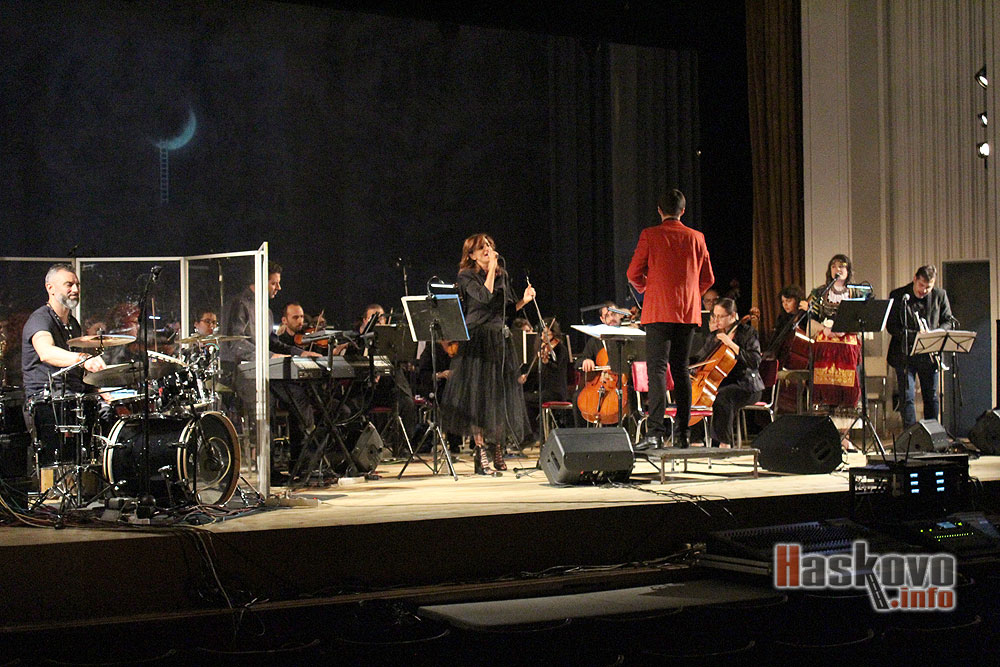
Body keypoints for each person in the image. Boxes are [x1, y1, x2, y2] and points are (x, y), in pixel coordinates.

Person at [439, 233, 535, 474]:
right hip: (477, 338)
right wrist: (491, 269)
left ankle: (497, 448)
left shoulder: (503, 275)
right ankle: (480, 451)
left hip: (498, 338)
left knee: (499, 396)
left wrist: (524, 301)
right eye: (482, 247)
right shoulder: (466, 276)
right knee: (478, 397)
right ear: (471, 255)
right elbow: (484, 296)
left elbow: (507, 310)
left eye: (489, 245)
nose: (487, 250)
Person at [627, 189, 714, 449]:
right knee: (681, 370)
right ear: (683, 211)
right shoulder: (697, 237)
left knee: (657, 370)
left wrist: (647, 288)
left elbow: (633, 273)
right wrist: (691, 295)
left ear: (659, 210)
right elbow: (708, 278)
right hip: (687, 312)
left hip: (658, 311)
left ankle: (655, 433)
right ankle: (683, 434)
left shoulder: (650, 235)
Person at [220, 262, 320, 483]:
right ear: (259, 281)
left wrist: (299, 353)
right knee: (267, 404)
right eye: (274, 283)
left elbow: (273, 342)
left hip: (266, 372)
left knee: (299, 397)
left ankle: (301, 465)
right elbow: (235, 344)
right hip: (242, 373)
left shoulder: (266, 311)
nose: (278, 288)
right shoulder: (238, 304)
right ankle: (268, 470)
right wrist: (270, 357)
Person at [21, 263, 108, 465]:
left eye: (77, 284)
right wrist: (83, 359)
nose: (75, 289)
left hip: (73, 396)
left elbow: (79, 371)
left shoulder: (73, 324)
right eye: (69, 284)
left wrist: (101, 389)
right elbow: (46, 352)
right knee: (62, 461)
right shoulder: (40, 319)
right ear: (50, 288)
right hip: (48, 401)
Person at [886, 265, 953, 428]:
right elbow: (891, 326)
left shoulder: (939, 295)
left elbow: (948, 321)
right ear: (915, 279)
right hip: (904, 353)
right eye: (921, 285)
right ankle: (911, 435)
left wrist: (935, 333)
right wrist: (914, 335)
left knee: (931, 396)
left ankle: (933, 433)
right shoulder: (899, 295)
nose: (924, 290)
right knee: (907, 397)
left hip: (929, 353)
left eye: (928, 287)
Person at [691, 298, 763, 447]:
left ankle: (723, 444)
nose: (716, 320)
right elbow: (701, 358)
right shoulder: (715, 336)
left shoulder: (748, 333)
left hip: (747, 385)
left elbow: (754, 361)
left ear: (732, 316)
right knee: (695, 394)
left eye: (721, 316)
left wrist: (730, 344)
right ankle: (695, 440)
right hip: (724, 383)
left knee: (723, 396)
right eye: (714, 316)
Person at [520, 317, 571, 442]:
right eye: (542, 333)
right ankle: (535, 433)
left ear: (553, 333)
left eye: (547, 333)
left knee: (525, 399)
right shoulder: (542, 348)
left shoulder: (560, 349)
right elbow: (537, 373)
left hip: (556, 392)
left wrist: (547, 362)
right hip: (544, 391)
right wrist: (525, 377)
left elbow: (558, 370)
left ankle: (534, 435)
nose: (543, 336)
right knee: (523, 397)